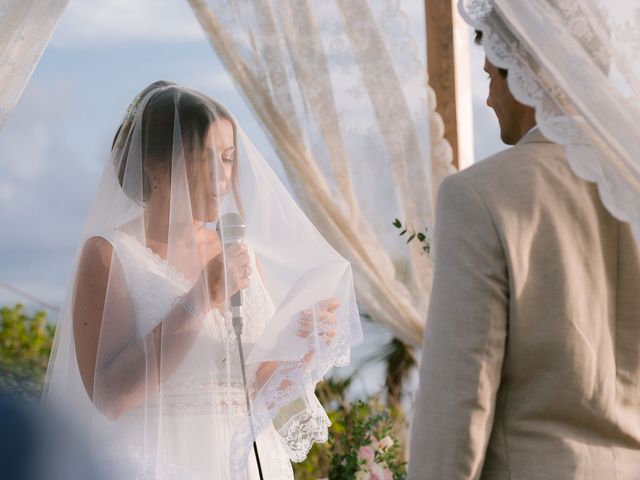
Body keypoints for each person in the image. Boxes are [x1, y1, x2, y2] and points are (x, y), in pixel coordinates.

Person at [43, 82, 362, 479]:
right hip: (157, 461)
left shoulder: (240, 253)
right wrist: (200, 297)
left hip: (247, 462)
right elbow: (110, 397)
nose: (220, 176)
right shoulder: (111, 253)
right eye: (203, 157)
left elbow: (255, 390)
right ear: (154, 163)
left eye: (227, 159)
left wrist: (304, 346)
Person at [408, 31, 640, 479]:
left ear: (522, 73)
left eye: (490, 71)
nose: (489, 96)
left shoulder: (479, 197)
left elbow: (457, 404)